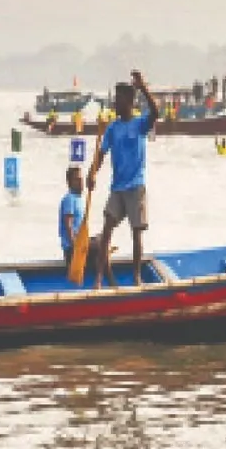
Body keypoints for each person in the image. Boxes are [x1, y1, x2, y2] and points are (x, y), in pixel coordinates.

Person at [87, 70, 158, 289]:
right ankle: (99, 279)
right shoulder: (112, 128)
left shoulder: (139, 124)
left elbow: (155, 112)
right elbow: (101, 154)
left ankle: (136, 276)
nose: (114, 104)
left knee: (136, 233)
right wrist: (92, 172)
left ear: (128, 102)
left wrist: (143, 87)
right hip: (117, 189)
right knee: (107, 229)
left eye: (117, 100)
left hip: (135, 187)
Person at [60, 166, 116, 286]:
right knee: (102, 243)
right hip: (73, 251)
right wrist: (75, 246)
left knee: (103, 237)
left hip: (81, 244)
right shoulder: (69, 199)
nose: (81, 183)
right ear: (69, 182)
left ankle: (99, 267)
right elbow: (68, 224)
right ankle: (109, 281)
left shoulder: (77, 199)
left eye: (81, 179)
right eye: (77, 180)